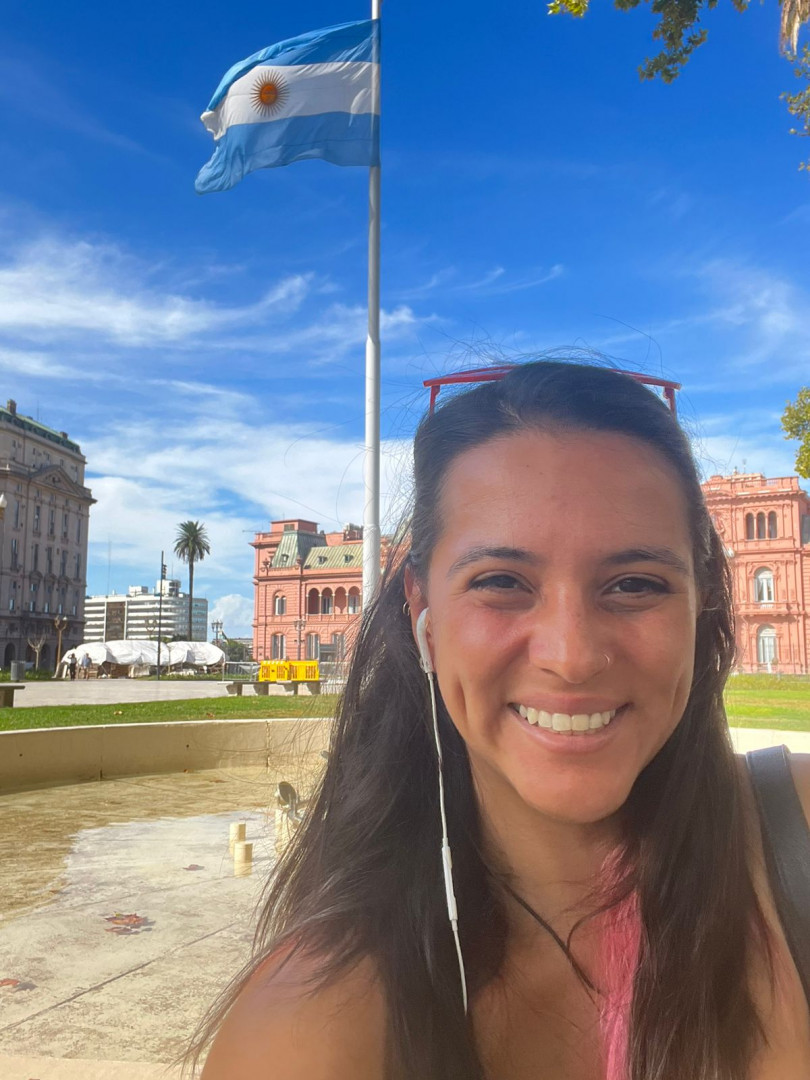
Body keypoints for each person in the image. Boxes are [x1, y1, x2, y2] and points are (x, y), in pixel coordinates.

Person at [194, 361, 810, 1080]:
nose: (572, 656)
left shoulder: (796, 844)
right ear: (421, 611)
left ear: (702, 600)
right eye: (502, 582)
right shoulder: (305, 1033)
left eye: (635, 583)